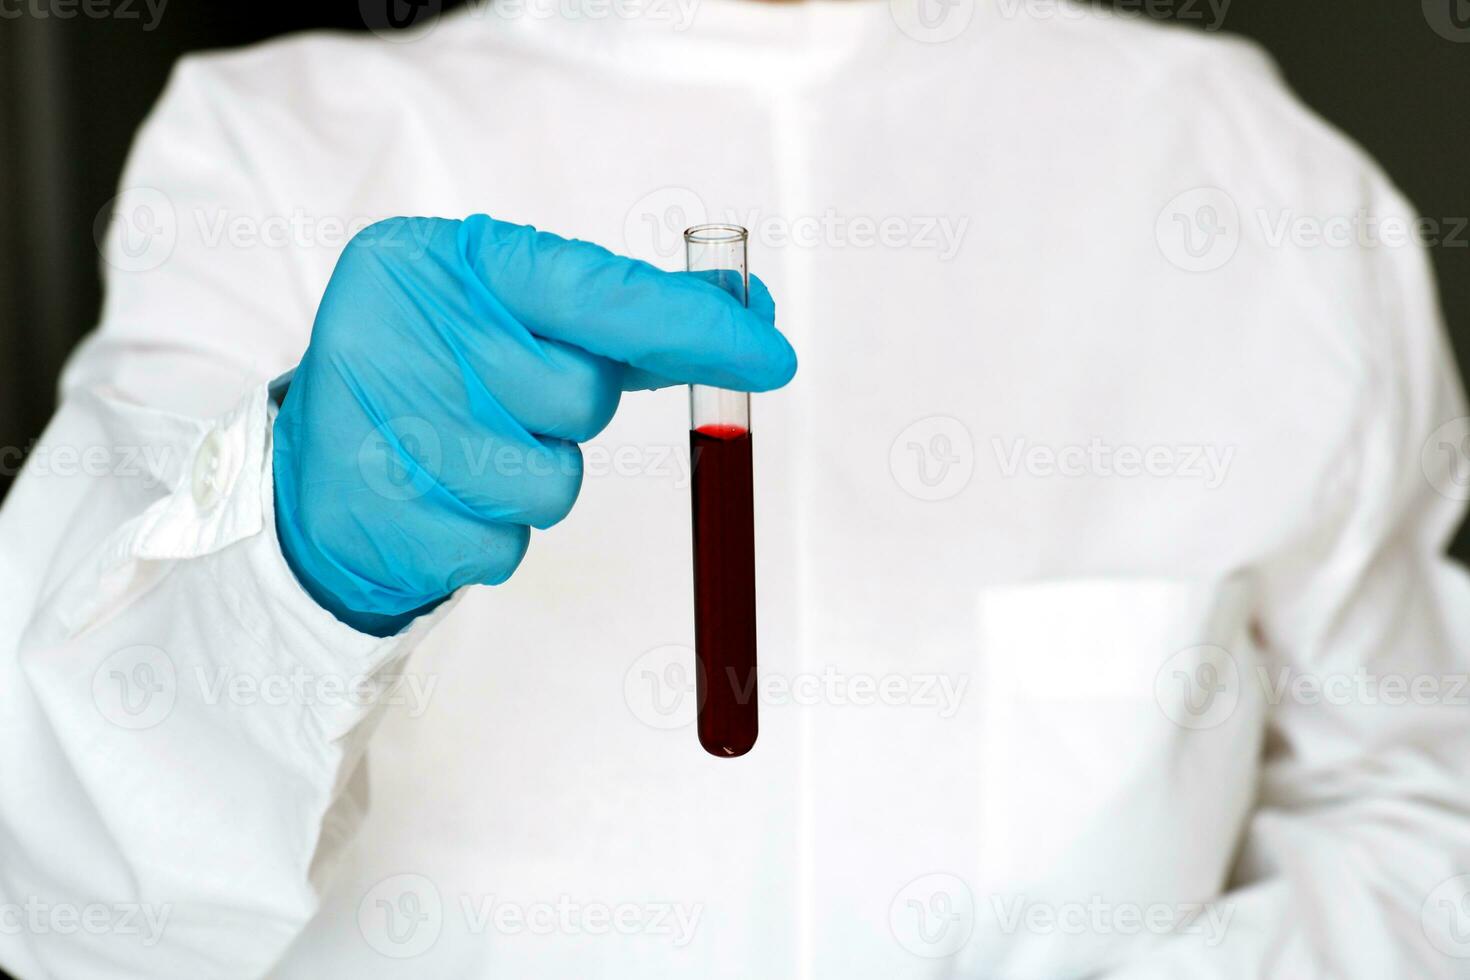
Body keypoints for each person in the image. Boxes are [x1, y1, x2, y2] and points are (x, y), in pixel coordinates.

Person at [2, 1, 1468, 977]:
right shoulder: (270, 146)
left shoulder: (1243, 174)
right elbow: (58, 892)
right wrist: (287, 567)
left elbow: (1415, 808)